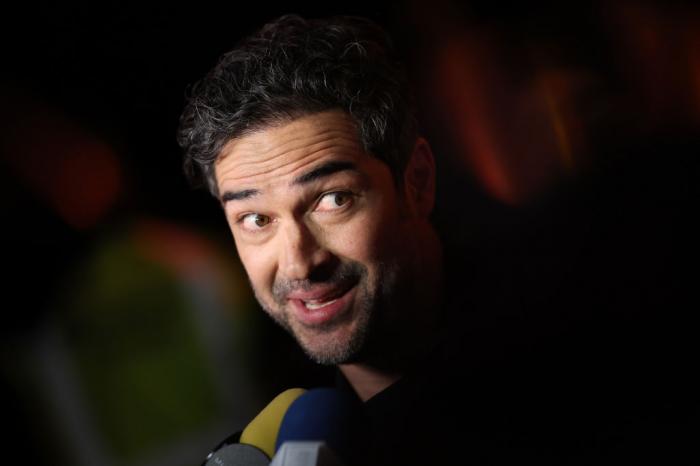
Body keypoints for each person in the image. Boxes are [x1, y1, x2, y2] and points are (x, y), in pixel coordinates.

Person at [177, 13, 696, 466]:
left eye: (333, 199)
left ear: (417, 181)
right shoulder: (286, 438)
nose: (298, 261)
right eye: (255, 219)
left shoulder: (601, 358)